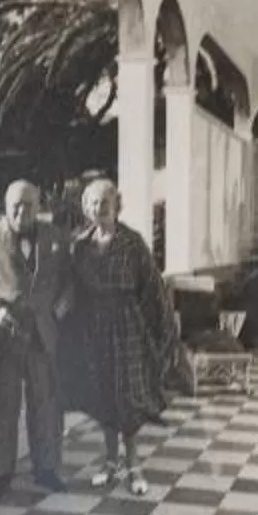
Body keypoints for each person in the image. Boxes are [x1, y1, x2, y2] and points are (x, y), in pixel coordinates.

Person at [62, 176, 184, 498]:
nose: (98, 208)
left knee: (127, 396)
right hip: (95, 329)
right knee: (104, 396)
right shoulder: (80, 245)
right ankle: (110, 462)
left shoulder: (133, 243)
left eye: (105, 202)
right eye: (92, 203)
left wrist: (162, 331)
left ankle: (134, 464)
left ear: (117, 205)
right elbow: (70, 288)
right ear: (85, 208)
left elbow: (154, 289)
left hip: (128, 327)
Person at [0, 177, 70, 493]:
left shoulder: (56, 237)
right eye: (16, 206)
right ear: (5, 208)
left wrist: (59, 309)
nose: (23, 212)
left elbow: (69, 281)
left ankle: (46, 469)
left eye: (29, 205)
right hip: (3, 337)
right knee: (2, 405)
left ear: (39, 206)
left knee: (46, 404)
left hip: (43, 337)